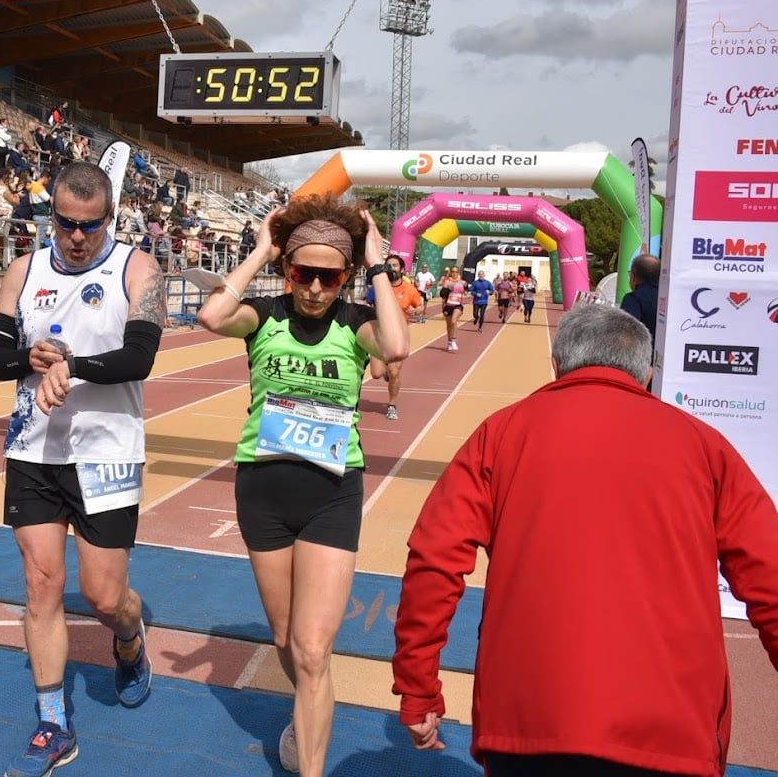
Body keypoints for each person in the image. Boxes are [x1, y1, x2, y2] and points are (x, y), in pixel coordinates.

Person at [393, 304, 778, 777]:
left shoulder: (501, 432)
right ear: (647, 374)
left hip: (529, 720)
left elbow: (434, 560)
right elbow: (769, 573)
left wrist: (418, 686)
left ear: (557, 364)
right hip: (673, 728)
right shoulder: (703, 444)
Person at [197, 193, 408, 776]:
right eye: (302, 273)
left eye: (329, 277)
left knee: (314, 651)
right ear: (287, 270)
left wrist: (377, 266)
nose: (315, 288)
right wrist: (260, 251)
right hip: (263, 491)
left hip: (331, 496)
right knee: (289, 641)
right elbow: (211, 317)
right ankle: (309, 704)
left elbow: (396, 348)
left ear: (346, 277)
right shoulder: (262, 316)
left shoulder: (355, 322)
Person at [0, 161, 165, 777]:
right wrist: (29, 358)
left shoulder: (139, 269)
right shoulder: (23, 270)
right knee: (41, 585)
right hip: (33, 452)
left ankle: (129, 640)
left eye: (90, 225)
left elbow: (139, 358)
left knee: (105, 597)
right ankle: (53, 723)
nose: (77, 236)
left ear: (110, 216)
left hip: (107, 453)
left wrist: (72, 366)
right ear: (51, 216)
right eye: (65, 223)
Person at [368, 254, 422, 421]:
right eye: (388, 265)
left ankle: (392, 405)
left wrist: (416, 311)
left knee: (394, 371)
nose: (391, 268)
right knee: (376, 373)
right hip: (379, 333)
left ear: (401, 269)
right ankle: (386, 374)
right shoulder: (378, 287)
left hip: (398, 335)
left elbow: (420, 306)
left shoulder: (409, 289)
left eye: (395, 265)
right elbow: (368, 304)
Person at [619, 253, 659, 341]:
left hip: (644, 348)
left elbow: (626, 332)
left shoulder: (633, 299)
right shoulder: (668, 297)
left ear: (633, 276)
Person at [440, 266, 466, 351]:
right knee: (449, 325)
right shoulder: (447, 282)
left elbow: (467, 290)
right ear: (451, 272)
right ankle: (449, 342)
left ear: (459, 273)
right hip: (448, 305)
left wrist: (465, 287)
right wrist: (448, 287)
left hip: (457, 305)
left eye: (456, 272)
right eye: (453, 272)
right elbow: (442, 295)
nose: (455, 273)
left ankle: (454, 340)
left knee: (453, 321)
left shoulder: (462, 282)